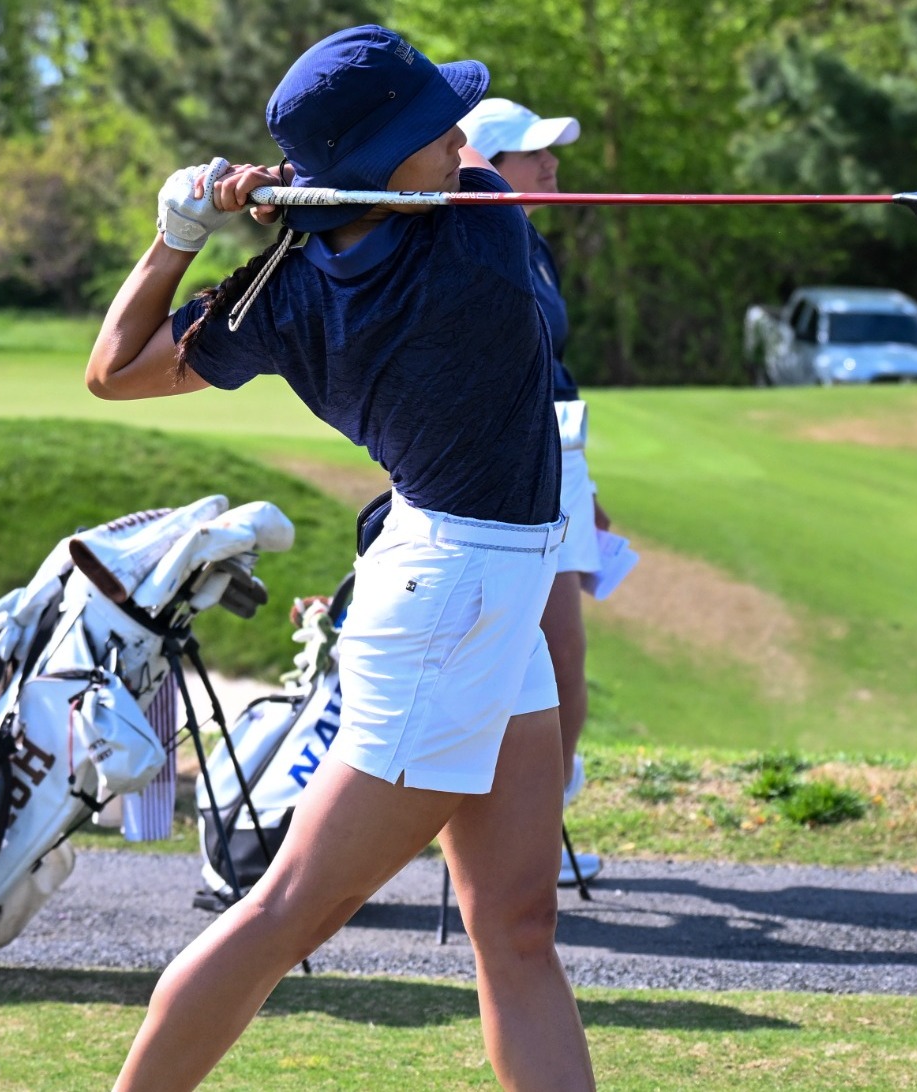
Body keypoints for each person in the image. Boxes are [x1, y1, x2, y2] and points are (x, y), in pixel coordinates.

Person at [84, 26, 594, 1091]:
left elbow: (117, 367)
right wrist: (289, 196)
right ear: (377, 167)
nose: (457, 135)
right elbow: (488, 173)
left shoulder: (286, 290)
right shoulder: (484, 229)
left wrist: (189, 225)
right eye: (428, 127)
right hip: (453, 598)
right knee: (285, 914)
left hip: (480, 591)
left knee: (517, 921)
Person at [459, 97, 605, 887]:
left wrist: (590, 490)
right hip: (510, 472)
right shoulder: (477, 245)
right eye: (531, 155)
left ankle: (542, 810)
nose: (550, 165)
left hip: (560, 459)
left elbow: (552, 370)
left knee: (566, 659)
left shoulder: (530, 240)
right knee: (544, 656)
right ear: (484, 167)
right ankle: (519, 832)